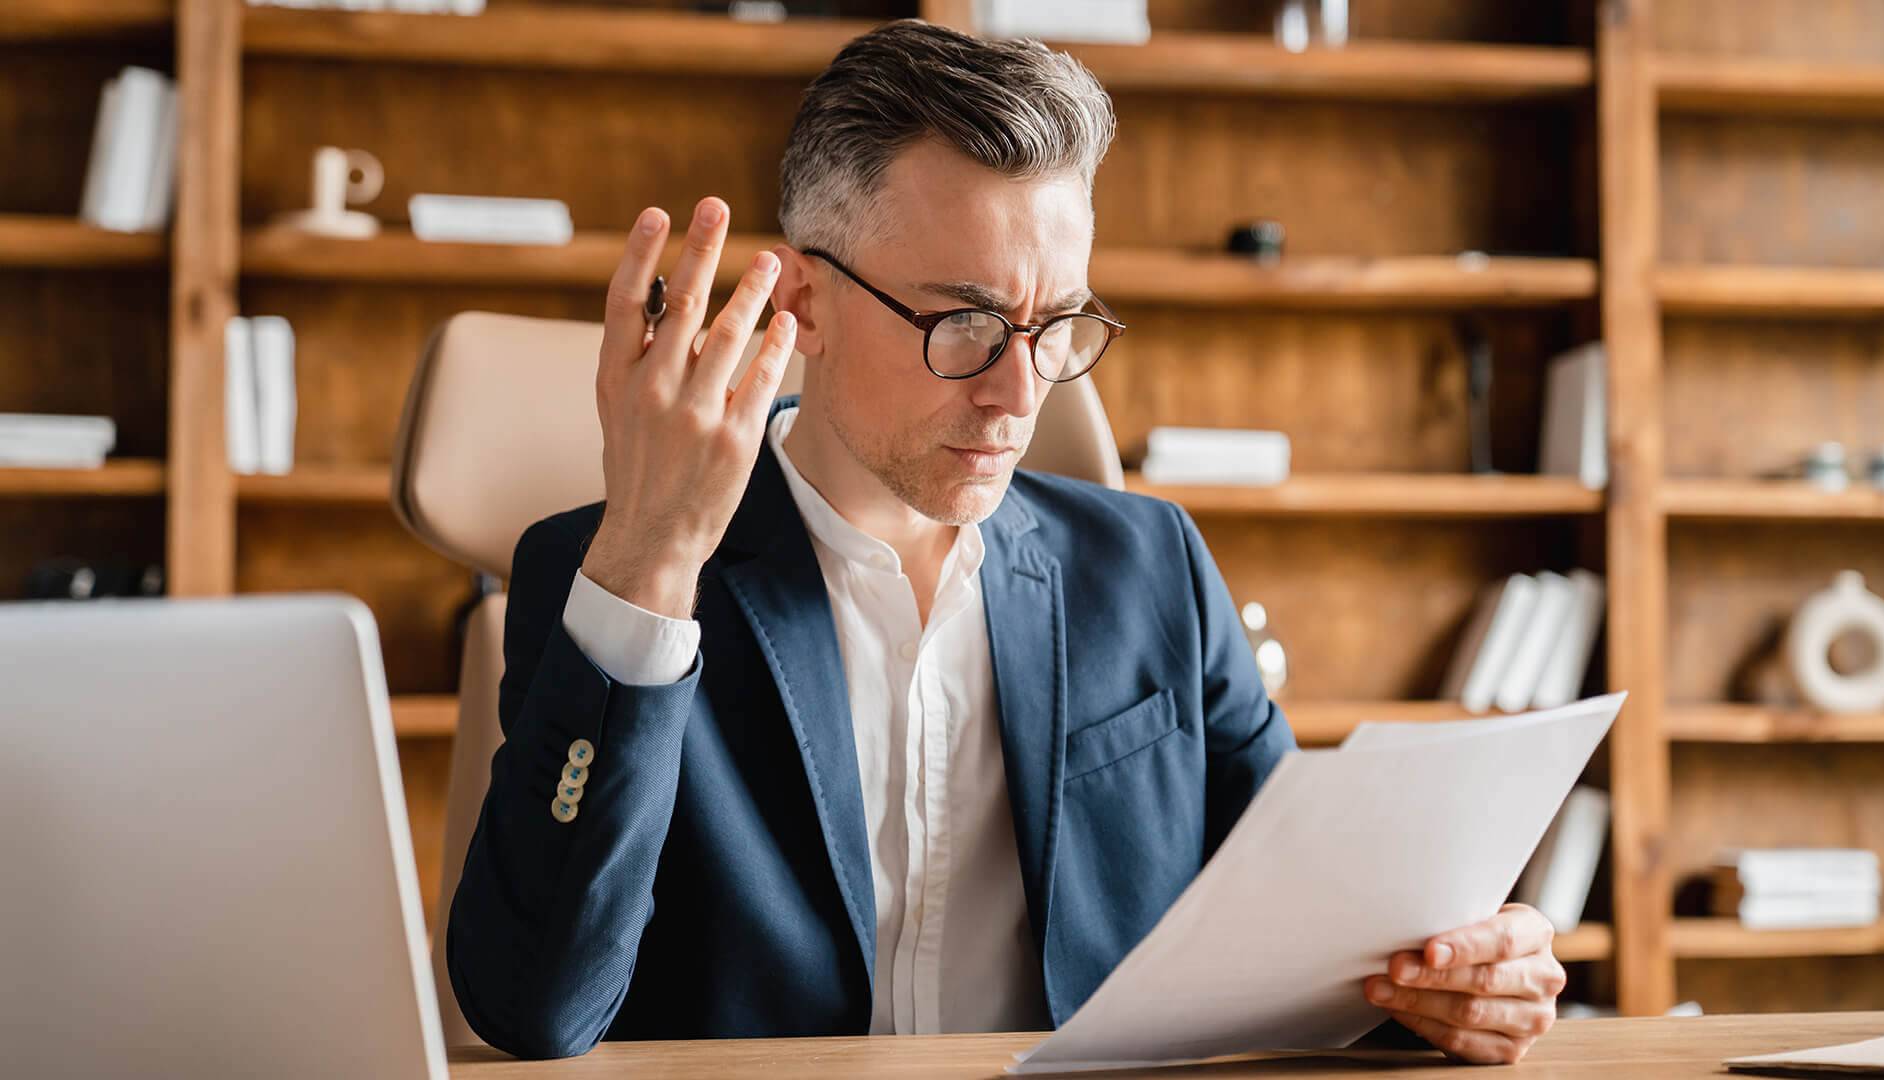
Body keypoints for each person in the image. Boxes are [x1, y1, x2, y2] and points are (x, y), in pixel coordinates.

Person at [445, 18, 1565, 1066]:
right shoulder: (607, 573)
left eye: (1057, 323)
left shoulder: (1151, 568)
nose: (1018, 395)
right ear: (806, 305)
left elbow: (1308, 939)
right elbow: (535, 1009)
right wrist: (652, 560)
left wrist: (1453, 980)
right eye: (965, 322)